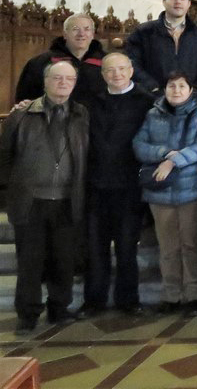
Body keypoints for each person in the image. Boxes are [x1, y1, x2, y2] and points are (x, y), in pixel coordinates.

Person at [1, 61, 88, 335]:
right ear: (45, 81)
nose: (63, 83)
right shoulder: (22, 114)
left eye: (69, 79)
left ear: (75, 84)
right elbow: (5, 156)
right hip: (31, 200)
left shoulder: (82, 114)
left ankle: (59, 309)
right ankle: (27, 315)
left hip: (67, 200)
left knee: (63, 260)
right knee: (30, 261)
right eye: (57, 78)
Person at [133, 71, 197, 317]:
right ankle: (171, 295)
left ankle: (194, 295)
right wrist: (164, 154)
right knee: (168, 247)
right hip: (160, 193)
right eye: (171, 86)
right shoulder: (153, 114)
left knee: (190, 245)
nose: (176, 90)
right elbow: (139, 144)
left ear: (190, 90)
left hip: (191, 190)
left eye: (181, 86)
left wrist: (174, 161)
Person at [80, 53, 154, 317]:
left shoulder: (147, 102)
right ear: (103, 75)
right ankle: (94, 301)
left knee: (126, 247)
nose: (116, 74)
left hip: (129, 186)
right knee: (95, 248)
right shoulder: (91, 102)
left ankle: (128, 299)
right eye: (110, 70)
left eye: (122, 69)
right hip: (96, 185)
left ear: (131, 71)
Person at [124, 0, 197, 95]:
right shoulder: (144, 31)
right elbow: (132, 62)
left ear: (189, 3)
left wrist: (194, 91)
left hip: (190, 98)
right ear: (164, 2)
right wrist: (152, 87)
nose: (178, 2)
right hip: (152, 97)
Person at [16, 12, 106, 103]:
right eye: (75, 29)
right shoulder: (41, 62)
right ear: (65, 34)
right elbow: (26, 99)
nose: (81, 34)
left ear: (92, 34)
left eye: (87, 29)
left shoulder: (106, 62)